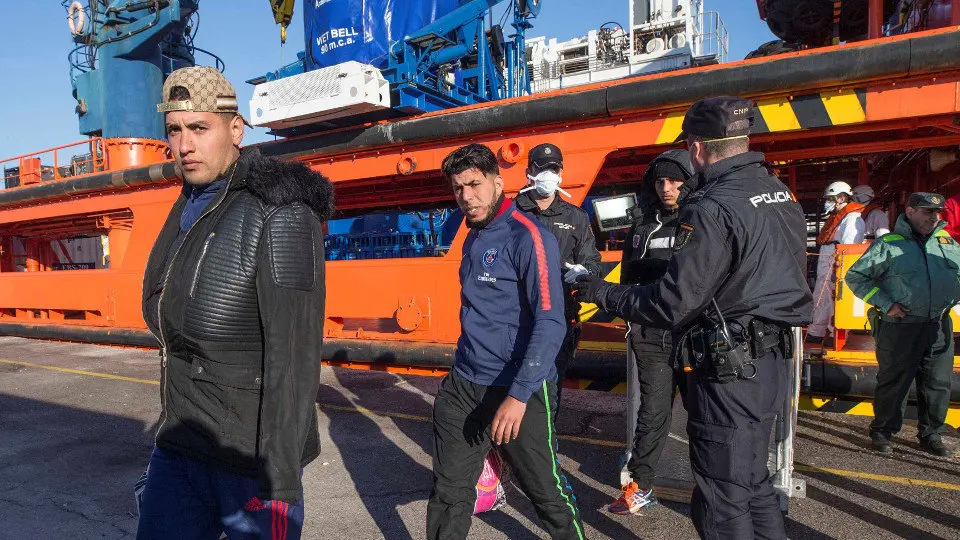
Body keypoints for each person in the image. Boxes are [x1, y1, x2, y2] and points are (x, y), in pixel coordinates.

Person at [576, 96, 812, 539]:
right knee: (752, 484)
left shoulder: (712, 207)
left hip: (729, 370)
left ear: (697, 148)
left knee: (722, 499)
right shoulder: (778, 193)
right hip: (770, 360)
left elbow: (673, 302)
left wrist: (602, 293)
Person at [137, 66, 334, 539]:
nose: (184, 145)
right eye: (175, 131)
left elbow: (295, 356)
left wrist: (280, 480)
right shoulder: (189, 204)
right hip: (181, 445)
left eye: (199, 128)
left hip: (249, 460)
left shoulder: (280, 212)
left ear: (235, 129)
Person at [427, 144, 584, 540]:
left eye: (475, 185)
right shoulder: (473, 236)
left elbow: (550, 321)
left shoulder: (529, 237)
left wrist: (517, 397)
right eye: (458, 188)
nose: (466, 196)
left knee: (546, 495)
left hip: (517, 390)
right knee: (449, 493)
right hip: (465, 385)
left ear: (499, 181)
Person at [607, 149, 697, 514]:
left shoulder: (704, 220)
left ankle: (716, 489)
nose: (667, 187)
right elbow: (628, 279)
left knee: (705, 414)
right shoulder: (642, 227)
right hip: (651, 334)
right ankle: (640, 486)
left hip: (694, 335)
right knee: (652, 412)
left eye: (675, 180)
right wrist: (630, 317)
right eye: (660, 181)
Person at [845, 192, 960, 457]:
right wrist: (887, 304)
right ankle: (882, 432)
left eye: (937, 212)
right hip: (901, 326)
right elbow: (857, 277)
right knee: (894, 381)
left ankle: (932, 435)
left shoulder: (946, 242)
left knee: (938, 382)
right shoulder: (889, 244)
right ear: (909, 212)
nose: (933, 217)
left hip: (938, 324)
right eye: (926, 212)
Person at [514, 143, 603, 408]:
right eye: (542, 168)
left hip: (559, 317)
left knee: (551, 391)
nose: (548, 174)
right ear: (529, 171)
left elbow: (593, 261)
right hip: (515, 317)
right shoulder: (510, 212)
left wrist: (584, 272)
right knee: (510, 386)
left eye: (554, 168)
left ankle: (546, 443)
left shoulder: (576, 217)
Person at [806, 181, 865, 347]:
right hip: (826, 264)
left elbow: (849, 247)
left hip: (837, 266)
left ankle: (835, 333)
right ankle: (816, 332)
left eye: (830, 198)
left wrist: (839, 270)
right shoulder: (836, 218)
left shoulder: (853, 219)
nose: (827, 202)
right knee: (821, 297)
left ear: (841, 198)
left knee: (836, 299)